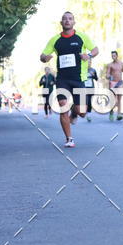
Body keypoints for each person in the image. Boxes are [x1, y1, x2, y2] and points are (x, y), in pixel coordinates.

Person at [40, 11, 99, 147]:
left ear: (74, 22)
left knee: (82, 112)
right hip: (62, 79)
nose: (67, 21)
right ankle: (69, 139)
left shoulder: (81, 37)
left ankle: (74, 113)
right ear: (61, 22)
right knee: (63, 106)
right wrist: (45, 58)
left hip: (79, 79)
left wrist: (89, 56)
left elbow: (95, 49)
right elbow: (42, 55)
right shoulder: (55, 40)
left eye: (70, 19)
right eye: (65, 19)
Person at [106, 50, 123, 121]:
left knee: (119, 99)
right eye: (112, 56)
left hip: (119, 82)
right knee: (113, 99)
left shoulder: (122, 64)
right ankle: (111, 112)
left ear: (117, 56)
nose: (113, 57)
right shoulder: (110, 65)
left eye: (114, 55)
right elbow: (107, 73)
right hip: (113, 83)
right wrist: (108, 76)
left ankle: (119, 114)